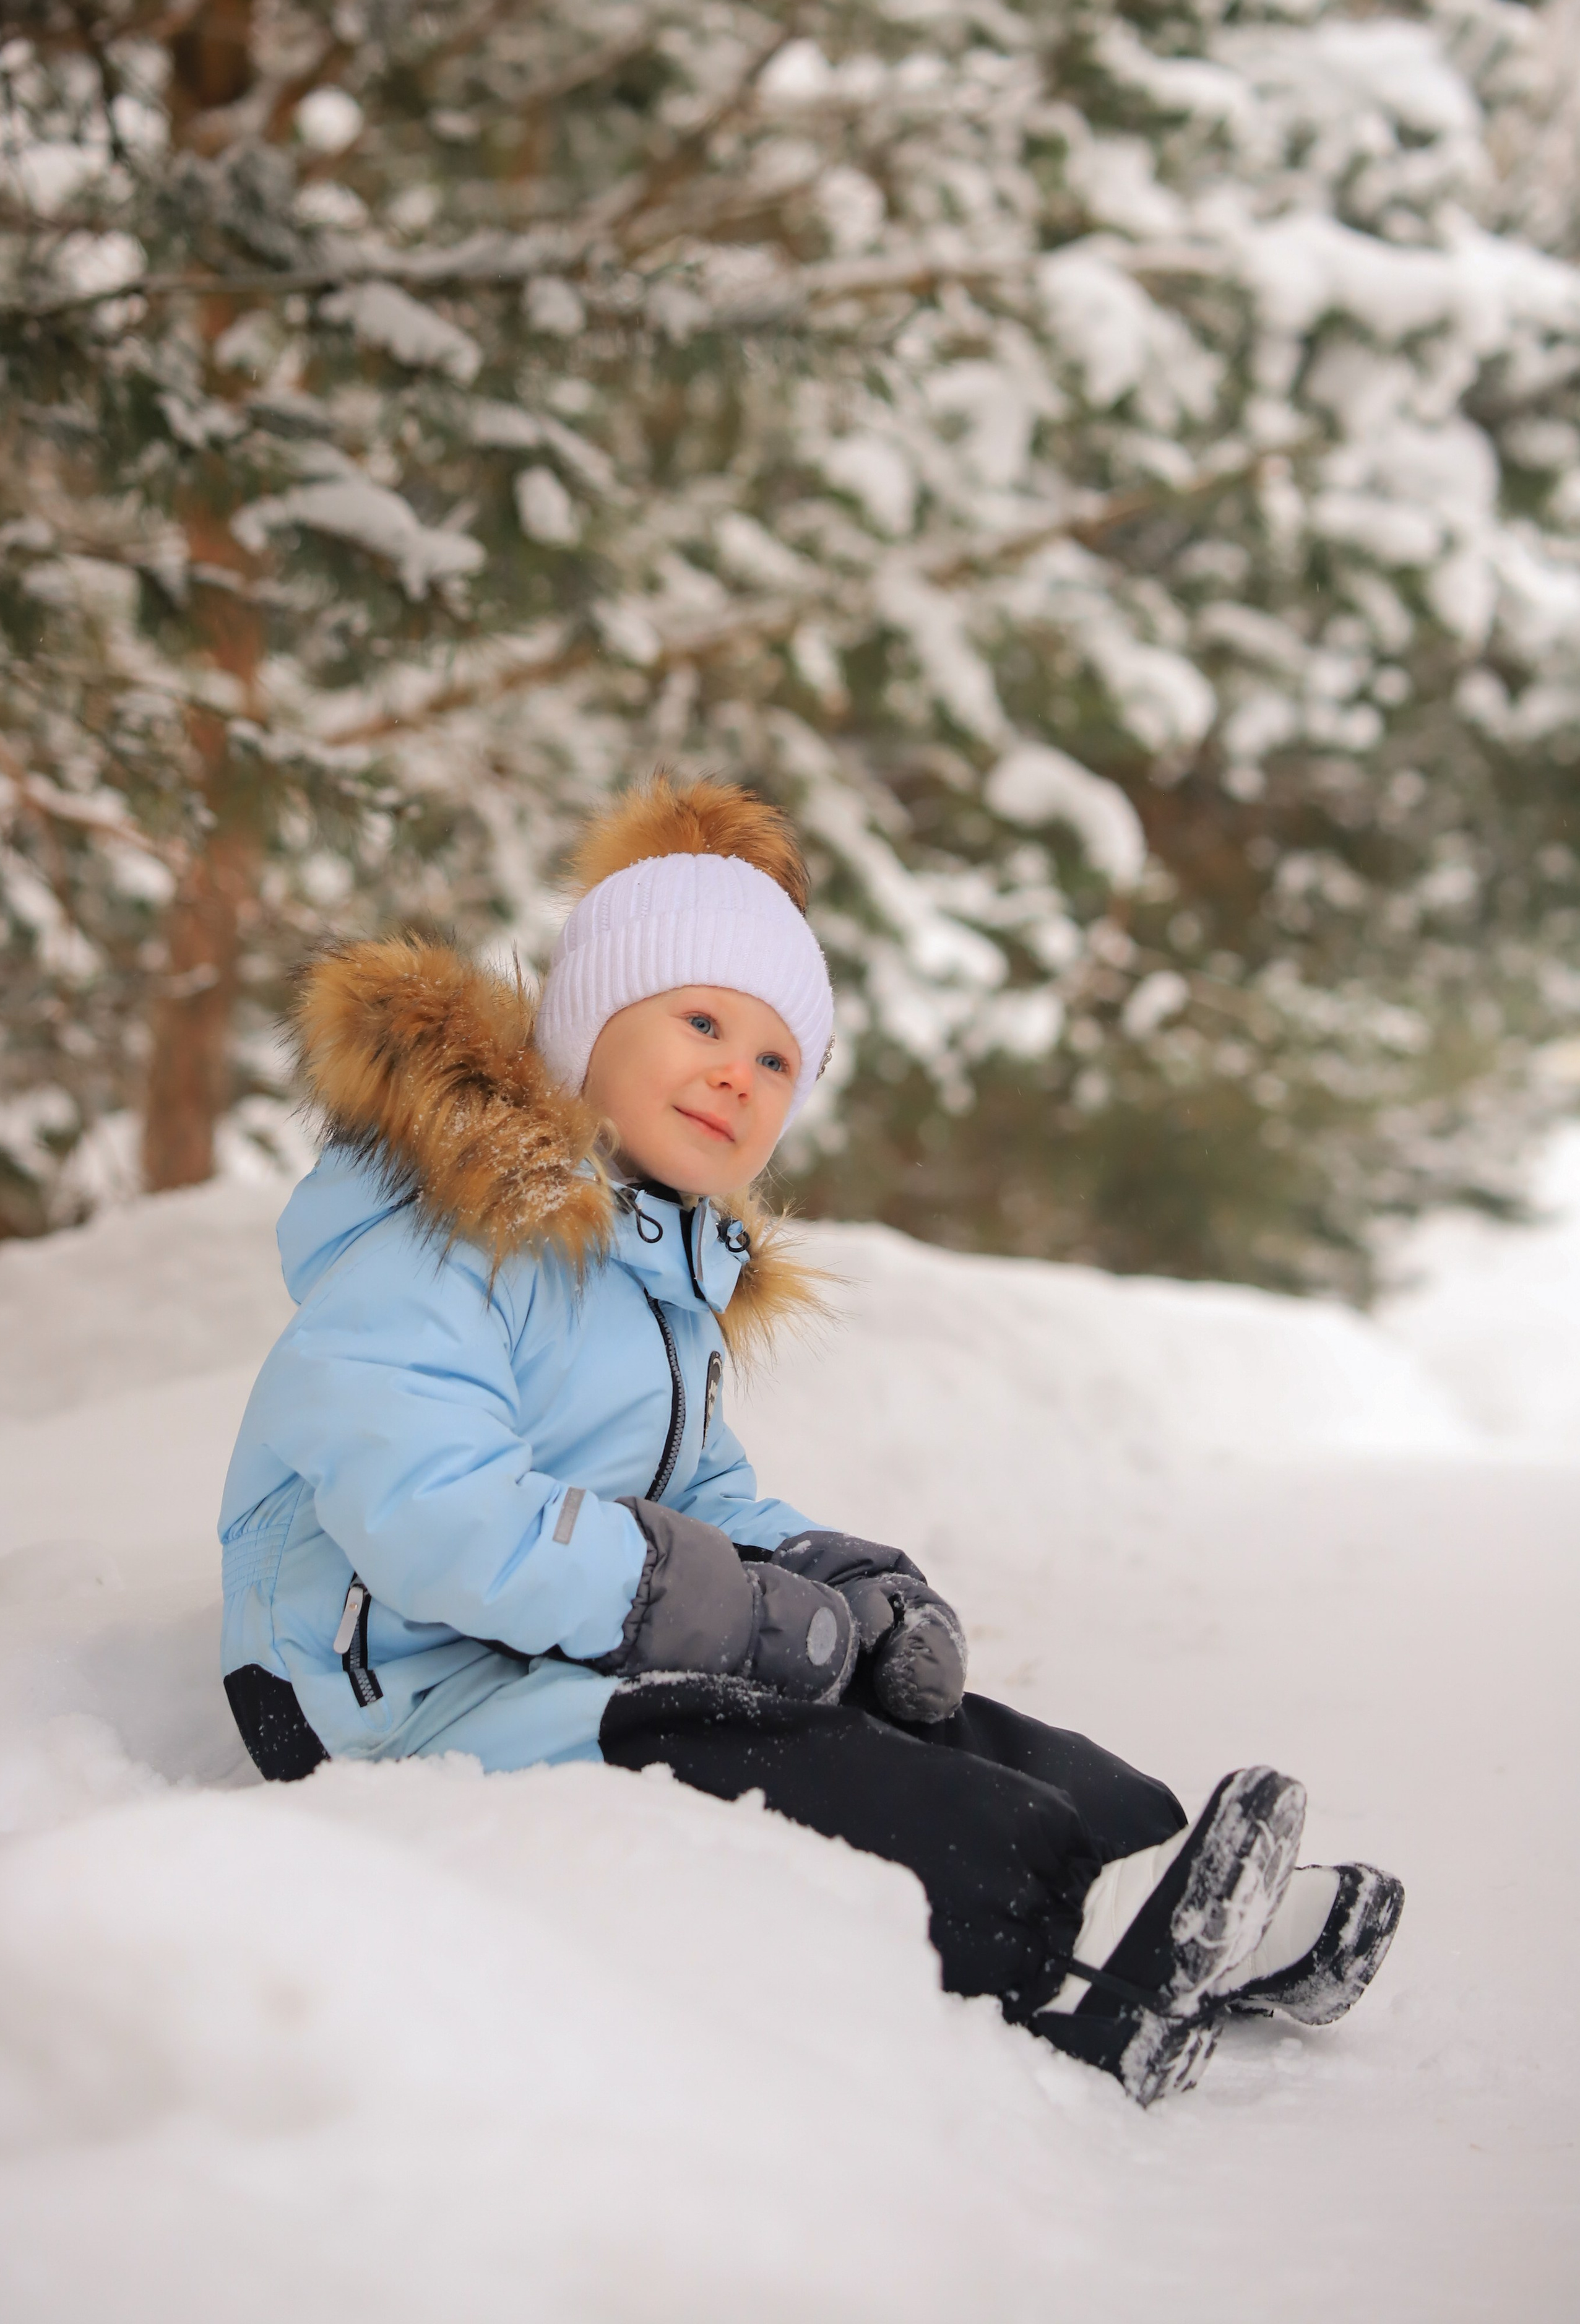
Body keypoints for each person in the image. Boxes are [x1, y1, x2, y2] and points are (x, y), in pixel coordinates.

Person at [218, 774, 1403, 2104]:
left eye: (778, 1060)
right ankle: (1077, 1948)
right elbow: (436, 1515)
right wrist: (701, 1606)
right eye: (702, 1021)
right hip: (388, 1688)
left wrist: (835, 1581)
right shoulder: (436, 1237)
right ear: (584, 1026)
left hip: (547, 1643)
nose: (738, 1070)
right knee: (792, 1760)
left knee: (905, 1711)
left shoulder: (653, 1272)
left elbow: (702, 1489)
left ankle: (1158, 1865)